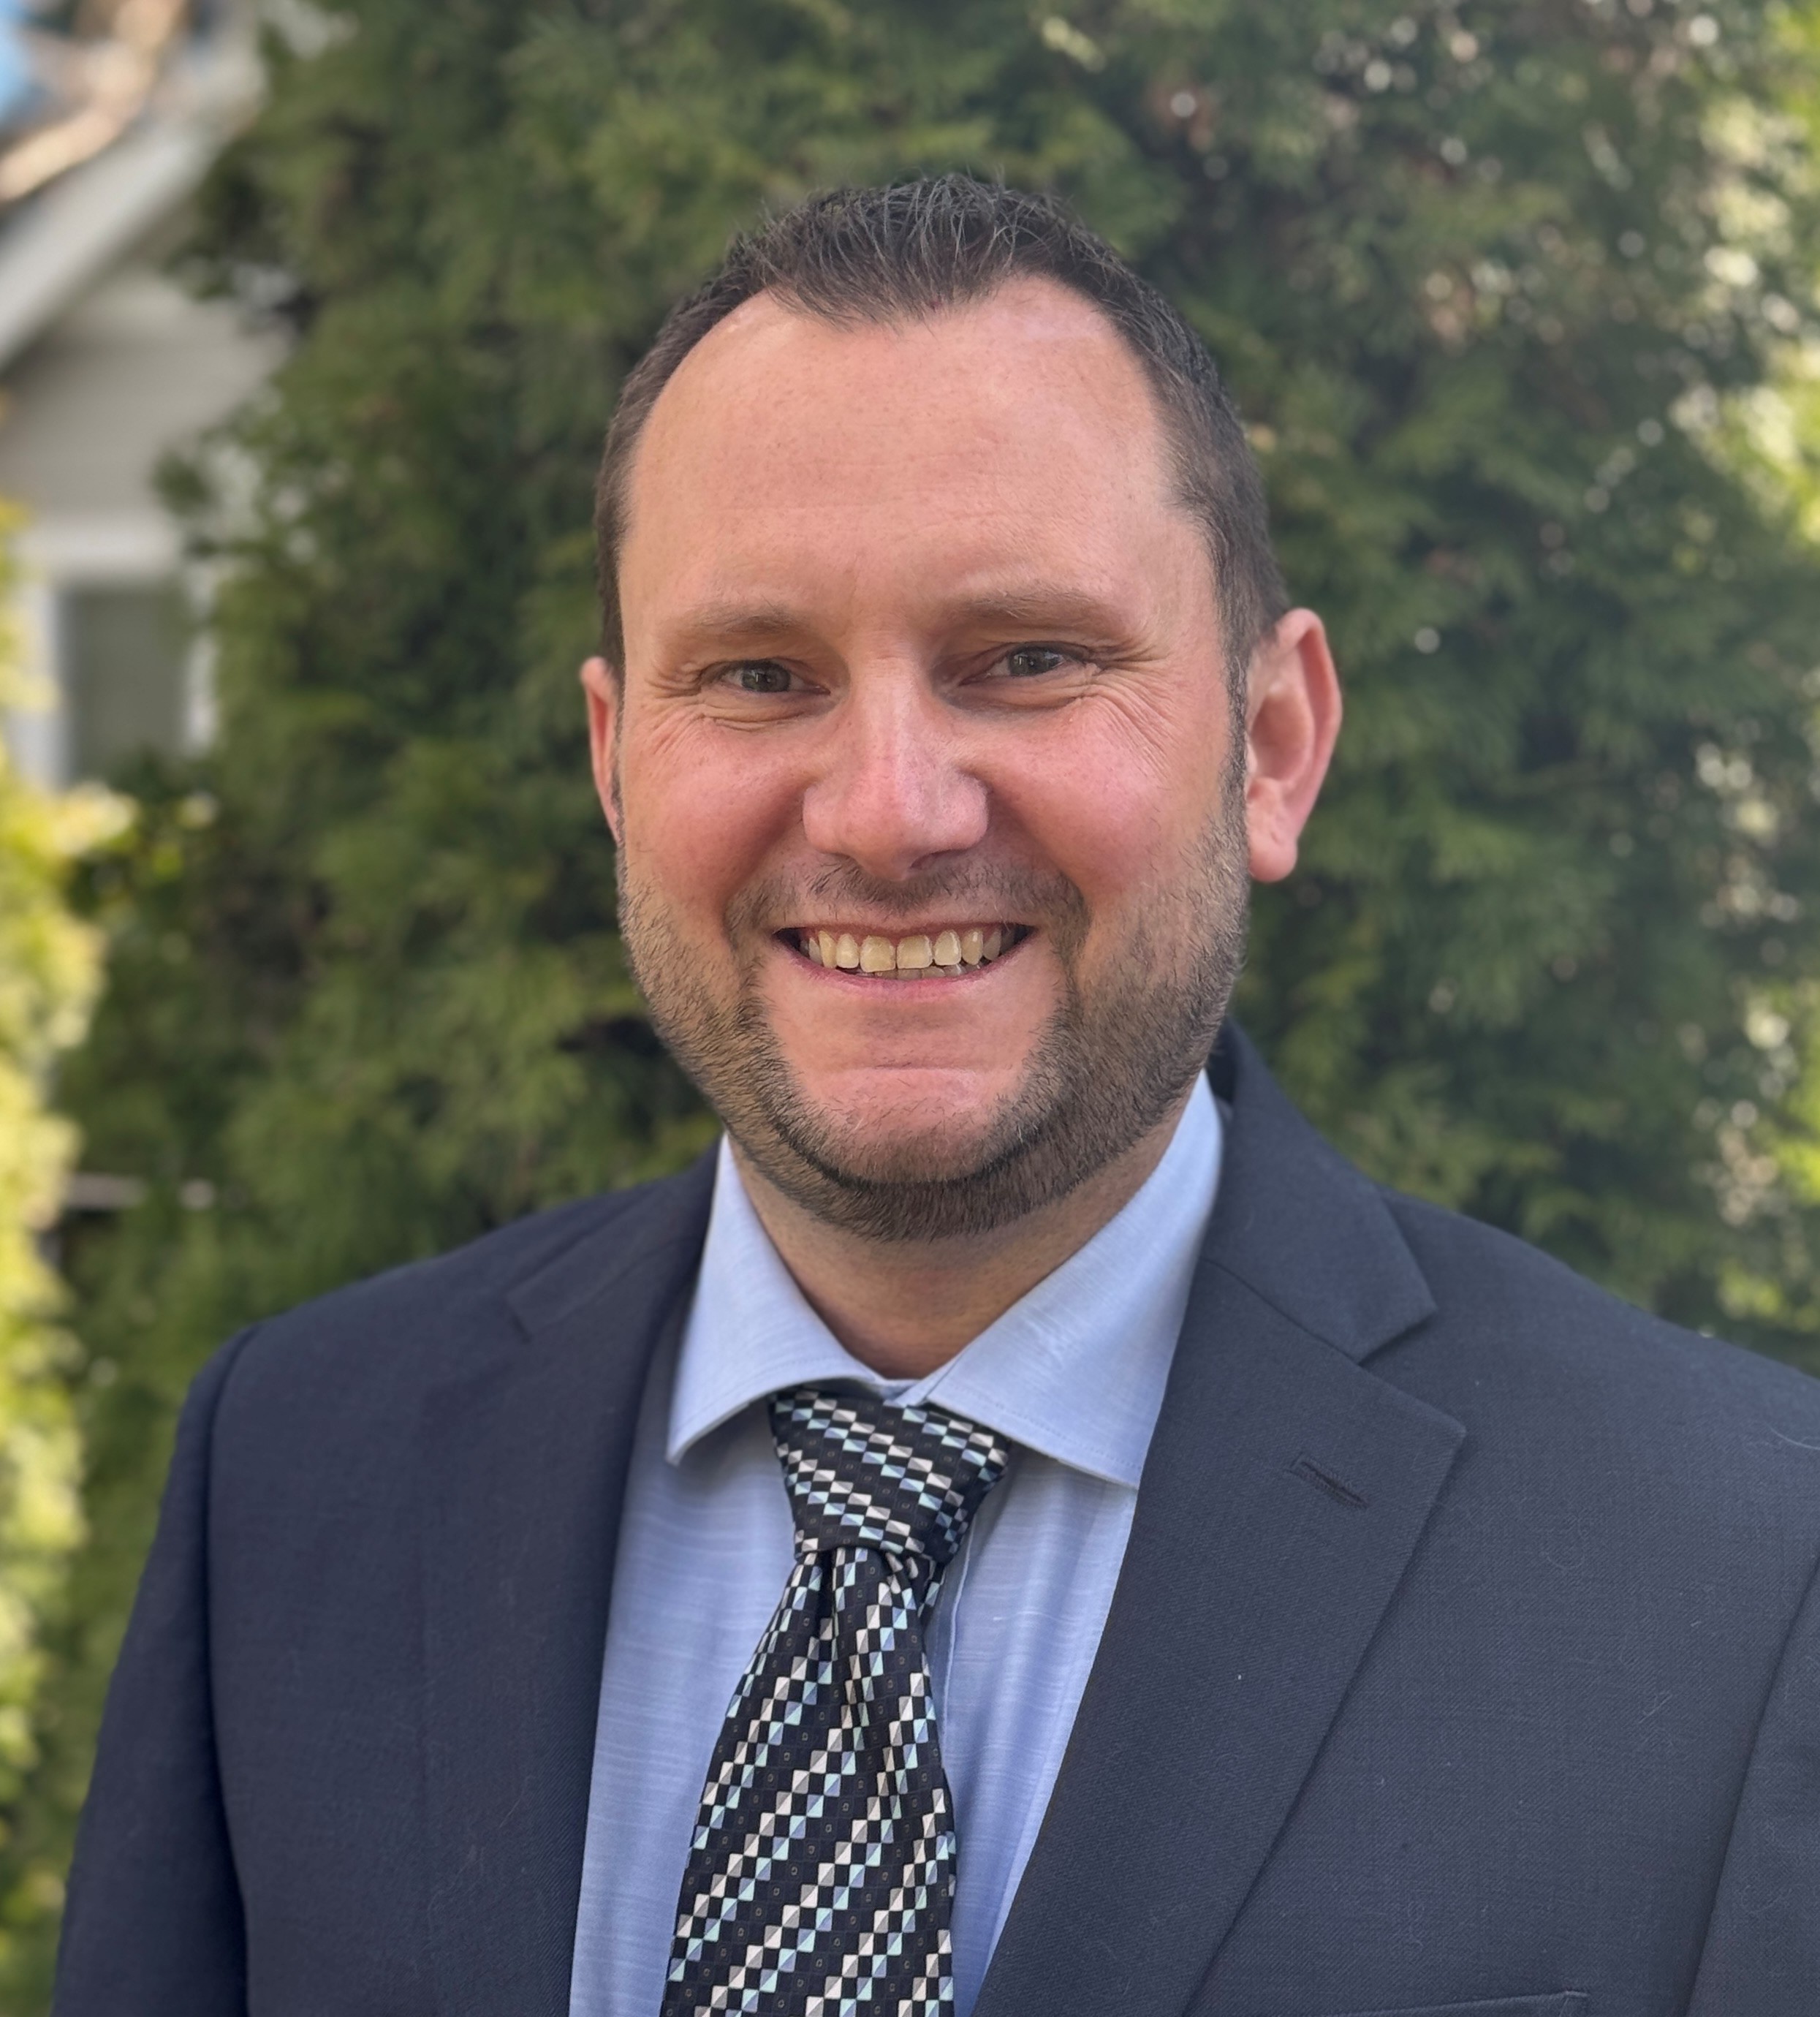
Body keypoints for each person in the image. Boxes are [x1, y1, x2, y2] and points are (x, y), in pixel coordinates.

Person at [55, 176, 1820, 2017]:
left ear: (1272, 747)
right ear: (613, 761)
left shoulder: (1740, 1578)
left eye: (1029, 662)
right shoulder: (299, 1475)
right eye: (757, 677)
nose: (891, 811)